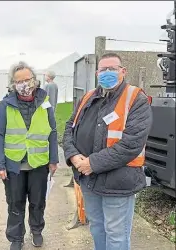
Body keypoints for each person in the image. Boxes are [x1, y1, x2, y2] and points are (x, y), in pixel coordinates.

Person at [63, 52, 152, 250]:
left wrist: (91, 163)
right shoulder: (88, 97)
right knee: (97, 229)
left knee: (117, 235)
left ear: (123, 71)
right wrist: (74, 156)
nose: (107, 73)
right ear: (97, 73)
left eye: (112, 68)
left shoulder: (135, 98)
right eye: (103, 69)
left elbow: (131, 144)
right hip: (89, 180)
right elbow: (70, 128)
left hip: (118, 182)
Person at [0, 61, 59, 250]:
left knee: (38, 202)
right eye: (19, 81)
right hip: (14, 165)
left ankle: (36, 230)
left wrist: (54, 159)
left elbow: (52, 131)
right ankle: (16, 237)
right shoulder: (5, 105)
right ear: (13, 84)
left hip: (39, 164)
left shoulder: (45, 103)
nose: (24, 84)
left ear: (35, 80)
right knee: (15, 203)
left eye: (27, 79)